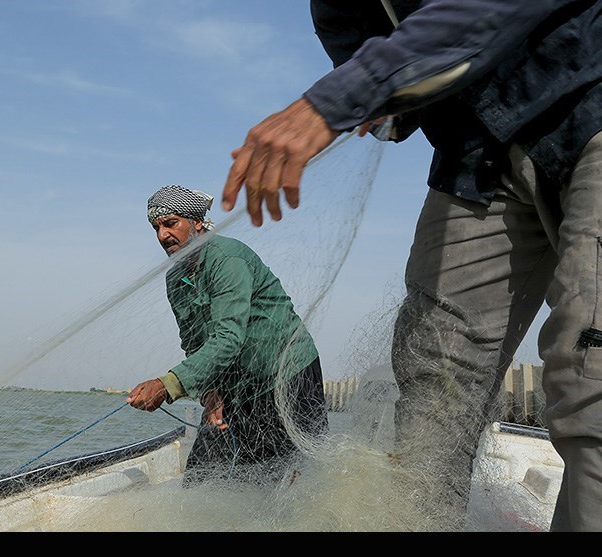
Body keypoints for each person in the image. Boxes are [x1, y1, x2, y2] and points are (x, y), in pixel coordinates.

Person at [220, 1, 602, 531]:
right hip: (477, 159)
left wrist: (332, 102)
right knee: (434, 380)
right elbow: (376, 63)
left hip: (590, 106)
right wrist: (388, 106)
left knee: (590, 374)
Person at [126, 184, 329, 487]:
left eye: (171, 223)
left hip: (288, 374)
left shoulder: (227, 258)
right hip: (238, 386)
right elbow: (193, 342)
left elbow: (228, 337)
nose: (162, 235)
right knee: (199, 477)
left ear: (197, 222)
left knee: (296, 477)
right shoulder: (175, 281)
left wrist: (167, 385)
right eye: (156, 227)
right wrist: (209, 393)